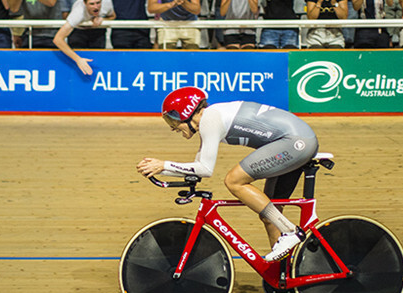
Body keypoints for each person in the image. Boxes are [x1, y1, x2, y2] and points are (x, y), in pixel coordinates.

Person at [135, 87, 320, 275]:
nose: (172, 127)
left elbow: (206, 170)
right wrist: (161, 169)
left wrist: (163, 164)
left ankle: (289, 231)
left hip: (295, 142)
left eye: (173, 120)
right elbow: (199, 168)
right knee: (270, 215)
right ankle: (282, 282)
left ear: (186, 113)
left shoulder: (210, 119)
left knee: (234, 181)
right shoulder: (210, 119)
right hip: (293, 141)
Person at [53, 0, 115, 74]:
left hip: (97, 31)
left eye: (98, 3)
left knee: (97, 64)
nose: (96, 7)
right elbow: (57, 39)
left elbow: (113, 16)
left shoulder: (107, 2)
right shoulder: (78, 13)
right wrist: (78, 60)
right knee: (78, 66)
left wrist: (103, 19)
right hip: (78, 32)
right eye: (92, 4)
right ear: (85, 3)